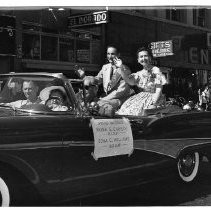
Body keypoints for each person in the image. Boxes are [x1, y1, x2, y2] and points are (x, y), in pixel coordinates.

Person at [78, 45, 131, 112]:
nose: (110, 56)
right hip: (105, 98)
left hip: (118, 99)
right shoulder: (105, 67)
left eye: (112, 54)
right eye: (108, 54)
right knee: (84, 103)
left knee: (97, 105)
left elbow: (121, 91)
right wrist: (84, 76)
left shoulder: (125, 69)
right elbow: (97, 80)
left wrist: (104, 99)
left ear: (118, 55)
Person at [116, 46, 167, 116]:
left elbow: (159, 88)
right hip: (142, 97)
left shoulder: (155, 70)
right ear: (138, 60)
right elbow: (130, 81)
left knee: (144, 112)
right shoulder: (139, 74)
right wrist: (121, 67)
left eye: (145, 56)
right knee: (127, 109)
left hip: (155, 97)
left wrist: (154, 103)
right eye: (141, 57)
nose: (143, 58)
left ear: (150, 58)